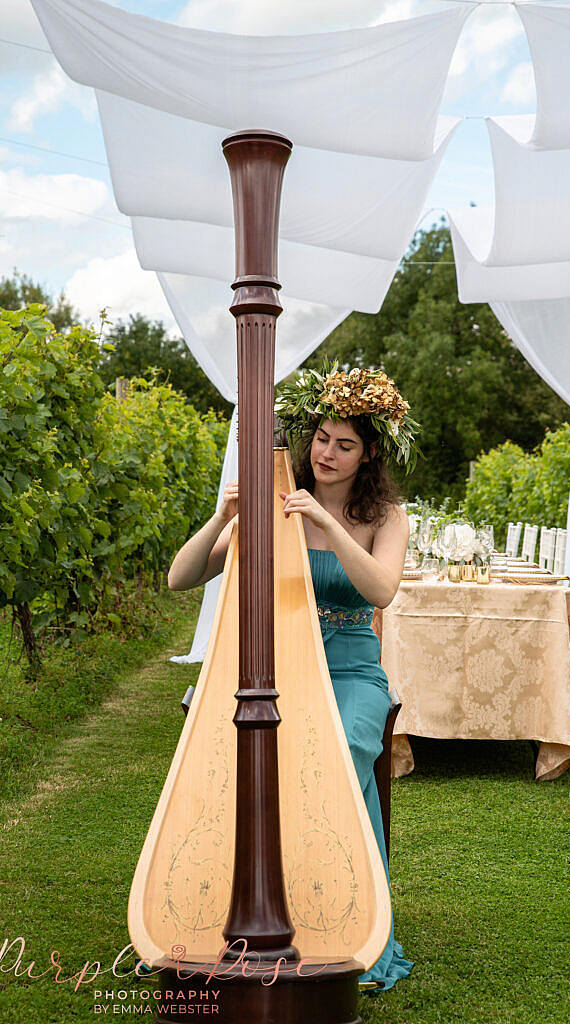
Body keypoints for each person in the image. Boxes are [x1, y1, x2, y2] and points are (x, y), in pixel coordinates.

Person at [168, 361, 421, 993]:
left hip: (351, 671)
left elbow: (382, 590)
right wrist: (225, 518)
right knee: (240, 750)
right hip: (275, 669)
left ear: (368, 456)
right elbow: (180, 577)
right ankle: (233, 907)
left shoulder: (386, 516)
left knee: (337, 751)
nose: (327, 452)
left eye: (346, 444)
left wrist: (329, 525)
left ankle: (338, 911)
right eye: (321, 438)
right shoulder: (272, 502)